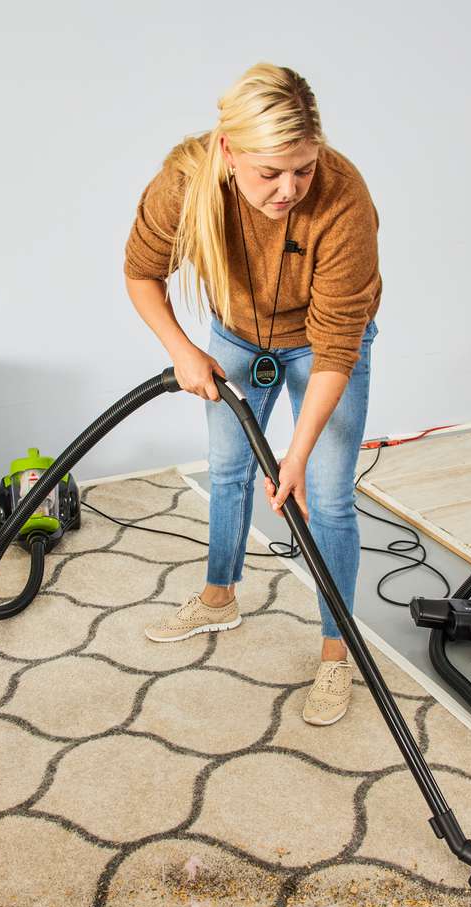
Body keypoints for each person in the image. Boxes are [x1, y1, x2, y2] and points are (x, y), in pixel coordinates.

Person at [122, 63, 381, 727]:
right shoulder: (186, 183)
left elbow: (336, 348)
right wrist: (184, 352)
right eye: (270, 172)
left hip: (324, 346)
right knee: (230, 470)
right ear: (229, 152)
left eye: (303, 167)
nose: (289, 189)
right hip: (237, 333)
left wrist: (294, 453)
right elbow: (141, 272)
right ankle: (218, 596)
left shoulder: (344, 199)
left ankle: (335, 651)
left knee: (324, 496)